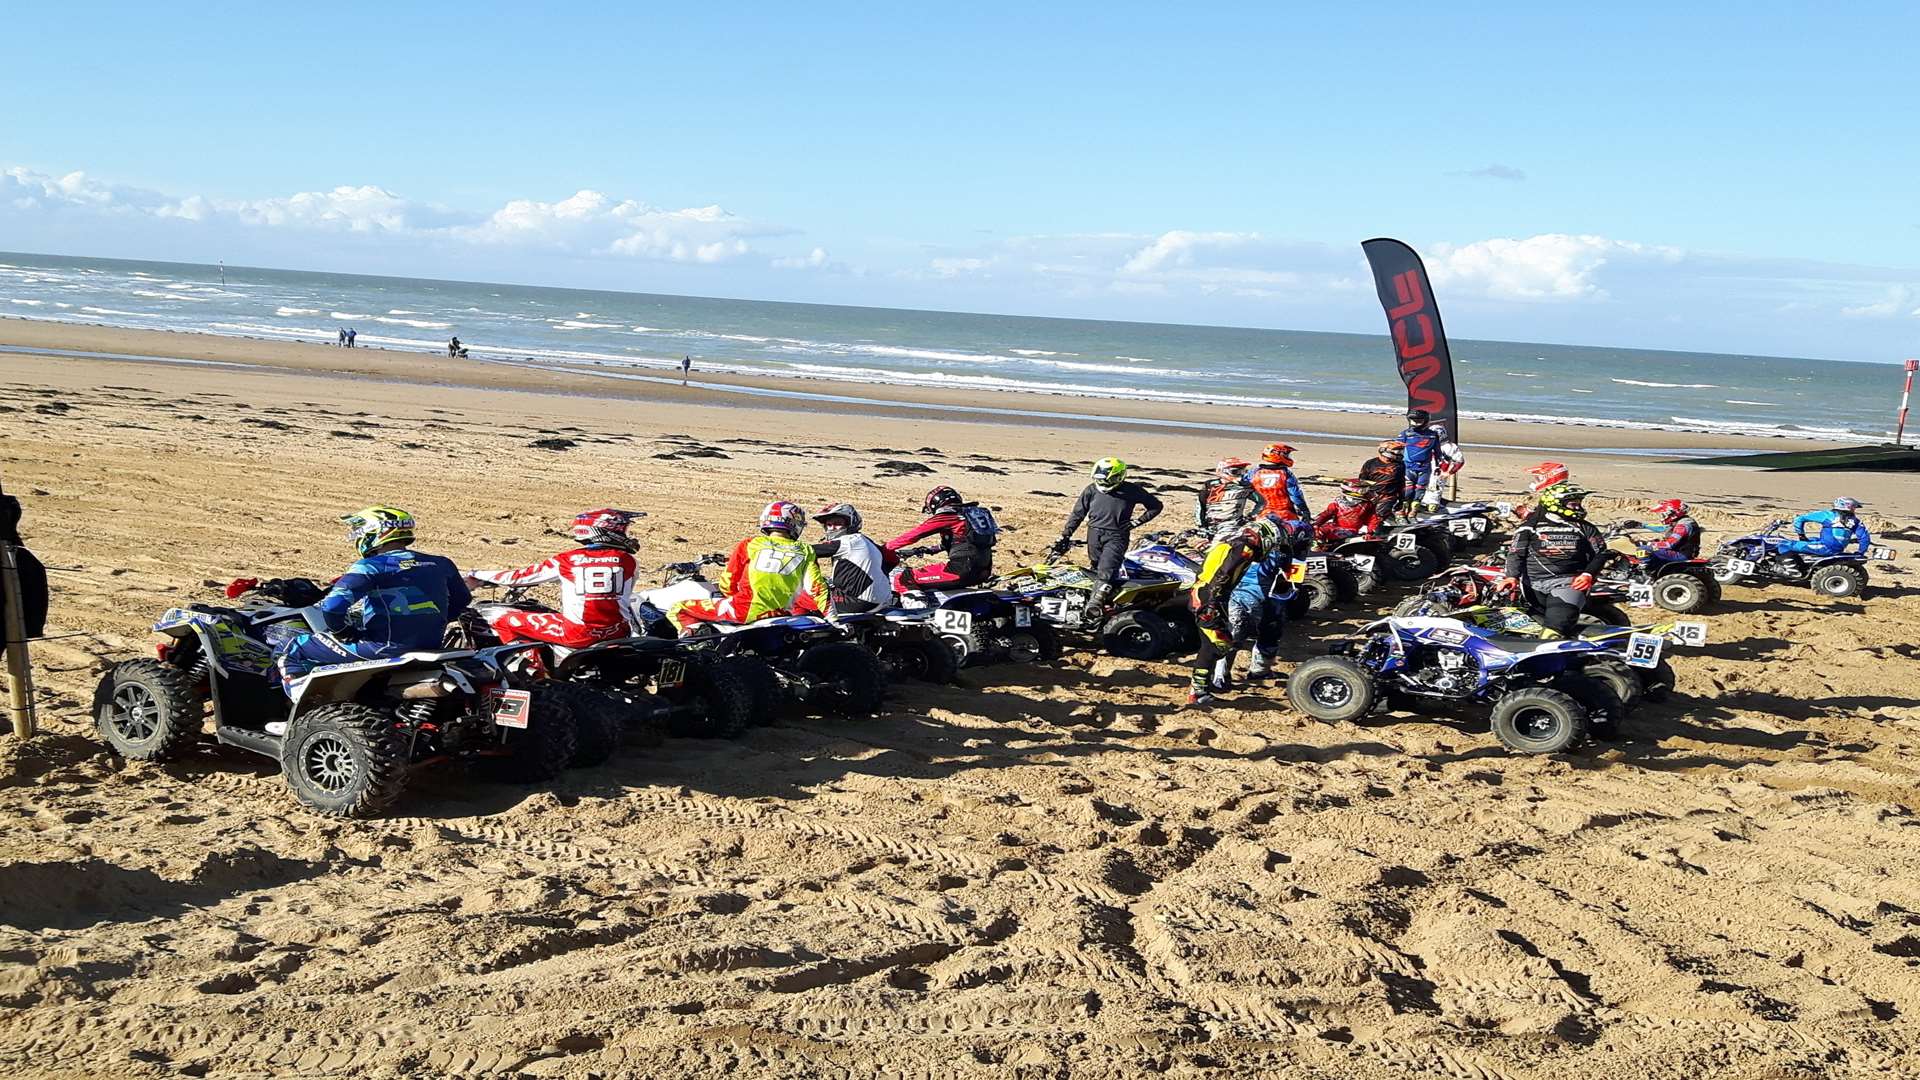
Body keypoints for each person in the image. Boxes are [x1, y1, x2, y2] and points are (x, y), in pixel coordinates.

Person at [273, 506, 470, 693]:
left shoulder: (371, 566)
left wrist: (342, 632)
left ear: (375, 532)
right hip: (431, 643)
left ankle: (297, 711)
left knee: (290, 647)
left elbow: (332, 608)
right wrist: (431, 621)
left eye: (359, 530)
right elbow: (462, 600)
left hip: (382, 647)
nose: (357, 535)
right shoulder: (441, 563)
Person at [464, 509, 645, 647]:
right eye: (623, 530)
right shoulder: (629, 561)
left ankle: (533, 672)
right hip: (618, 632)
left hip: (578, 633)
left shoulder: (565, 560)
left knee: (503, 621)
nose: (625, 535)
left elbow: (517, 578)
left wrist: (476, 574)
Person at [673, 501, 826, 630]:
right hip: (780, 613)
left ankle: (695, 645)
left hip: (744, 610)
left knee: (677, 609)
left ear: (766, 519)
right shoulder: (805, 551)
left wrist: (731, 597)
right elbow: (815, 588)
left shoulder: (750, 544)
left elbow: (727, 583)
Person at [1186, 514, 1288, 706]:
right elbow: (1223, 575)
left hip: (1204, 594)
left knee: (1216, 644)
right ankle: (1198, 691)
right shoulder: (1244, 549)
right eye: (1272, 544)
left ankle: (1201, 688)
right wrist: (1212, 604)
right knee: (1215, 645)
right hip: (1209, 599)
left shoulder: (1230, 541)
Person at [1048, 459, 1162, 623]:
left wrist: (1137, 522)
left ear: (1119, 477)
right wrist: (1066, 534)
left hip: (1117, 535)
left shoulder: (1132, 490)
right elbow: (1078, 514)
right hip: (1094, 533)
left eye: (1107, 480)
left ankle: (1094, 606)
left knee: (1106, 569)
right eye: (1100, 479)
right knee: (1095, 567)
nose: (1103, 483)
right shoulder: (1091, 490)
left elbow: (1156, 506)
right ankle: (1105, 602)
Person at [1497, 485, 1610, 637]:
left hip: (1569, 583)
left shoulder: (1585, 527)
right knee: (1529, 629)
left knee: (1553, 632)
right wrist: (1511, 576)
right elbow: (1516, 553)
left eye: (1579, 503)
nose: (1578, 507)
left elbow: (1602, 553)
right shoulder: (1530, 527)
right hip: (1532, 587)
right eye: (1573, 504)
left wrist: (1588, 574)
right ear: (1556, 503)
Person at [887, 485, 999, 590]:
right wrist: (927, 550)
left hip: (960, 571)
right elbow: (965, 542)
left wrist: (885, 548)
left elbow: (914, 535)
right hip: (983, 571)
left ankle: (916, 608)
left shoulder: (949, 515)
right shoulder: (974, 515)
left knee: (903, 578)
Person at [811, 502, 893, 614]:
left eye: (837, 524)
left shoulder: (848, 541)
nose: (832, 528)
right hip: (882, 599)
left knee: (802, 596)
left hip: (856, 601)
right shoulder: (866, 540)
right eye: (829, 525)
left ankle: (796, 630)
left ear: (850, 523)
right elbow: (893, 560)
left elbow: (808, 550)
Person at [1769, 498, 1871, 566]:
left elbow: (1800, 519)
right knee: (1812, 539)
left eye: (1853, 507)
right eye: (1853, 507)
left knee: (1783, 544)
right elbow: (1864, 538)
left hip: (1825, 547)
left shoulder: (1828, 515)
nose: (1854, 510)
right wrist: (1860, 552)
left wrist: (1801, 535)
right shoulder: (1856, 521)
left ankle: (1786, 566)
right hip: (1837, 549)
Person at [1398, 409, 1463, 511]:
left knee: (1433, 491)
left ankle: (1430, 509)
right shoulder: (1418, 437)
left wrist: (1448, 472)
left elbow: (1459, 461)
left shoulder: (1449, 447)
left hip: (1436, 473)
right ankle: (1410, 506)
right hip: (1420, 467)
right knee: (1410, 488)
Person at [1249, 443, 1309, 527]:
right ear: (1278, 454)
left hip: (1262, 514)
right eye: (1286, 454)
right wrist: (1305, 511)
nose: (1288, 457)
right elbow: (1295, 496)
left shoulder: (1253, 473)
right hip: (1285, 515)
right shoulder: (1286, 474)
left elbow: (1244, 490)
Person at [1194, 457, 1259, 534]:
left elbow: (1262, 501)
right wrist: (1201, 526)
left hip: (1234, 526)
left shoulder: (1246, 487)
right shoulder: (1210, 485)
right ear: (1223, 471)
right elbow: (1201, 505)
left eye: (1243, 472)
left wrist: (1250, 517)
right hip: (1211, 526)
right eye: (1236, 471)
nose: (1240, 475)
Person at [1313, 479, 1384, 545]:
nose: (1368, 493)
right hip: (1336, 527)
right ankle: (1320, 547)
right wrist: (1316, 524)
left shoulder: (1367, 505)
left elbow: (1373, 520)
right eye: (1365, 490)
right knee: (1313, 531)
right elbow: (1326, 514)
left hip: (1353, 530)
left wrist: (1370, 533)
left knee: (1322, 531)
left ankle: (1319, 548)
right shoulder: (1337, 503)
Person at [1506, 462, 1571, 522]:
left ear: (1550, 476)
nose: (1537, 481)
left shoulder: (1544, 496)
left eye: (1539, 478)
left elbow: (1532, 514)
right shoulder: (1567, 491)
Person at [1356, 441, 1404, 519]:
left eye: (1401, 451)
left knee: (1379, 516)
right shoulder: (1370, 463)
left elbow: (1401, 482)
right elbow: (1362, 480)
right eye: (1397, 451)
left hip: (1388, 496)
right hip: (1371, 494)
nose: (1400, 454)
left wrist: (1401, 500)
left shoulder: (1400, 465)